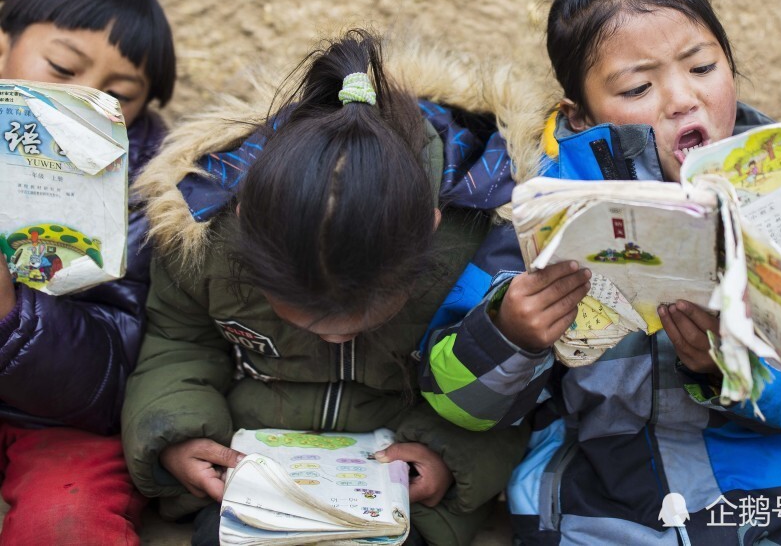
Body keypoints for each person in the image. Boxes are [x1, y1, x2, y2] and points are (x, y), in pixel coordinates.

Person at [418, 0, 781, 544]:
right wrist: (509, 334)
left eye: (702, 67)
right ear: (581, 110)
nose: (682, 99)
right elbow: (454, 402)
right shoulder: (540, 209)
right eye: (638, 86)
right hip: (586, 523)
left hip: (753, 522)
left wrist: (731, 362)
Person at [121, 29, 532, 546]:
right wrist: (181, 438)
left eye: (362, 321)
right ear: (247, 231)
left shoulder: (484, 239)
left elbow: (508, 382)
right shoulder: (205, 231)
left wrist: (447, 456)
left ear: (428, 231)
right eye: (303, 317)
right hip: (250, 480)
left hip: (405, 489)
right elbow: (179, 340)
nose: (336, 340)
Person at [0, 0, 176, 545]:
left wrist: (10, 313)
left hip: (63, 422)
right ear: (2, 45)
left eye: (117, 95)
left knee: (66, 523)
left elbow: (121, 373)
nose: (81, 98)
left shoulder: (154, 197)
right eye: (61, 67)